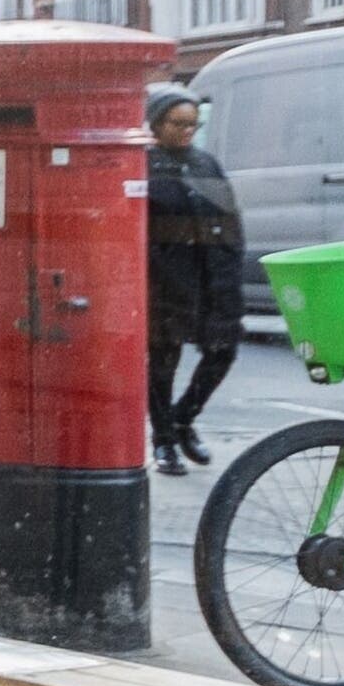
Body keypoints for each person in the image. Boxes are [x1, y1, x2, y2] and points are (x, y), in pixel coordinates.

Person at [145, 89, 245, 476]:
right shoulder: (143, 165)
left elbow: (229, 221)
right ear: (157, 124)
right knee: (163, 364)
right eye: (179, 124)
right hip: (166, 283)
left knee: (223, 350)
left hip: (212, 280)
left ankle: (183, 419)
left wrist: (230, 272)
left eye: (193, 124)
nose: (188, 131)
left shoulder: (206, 164)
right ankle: (164, 441)